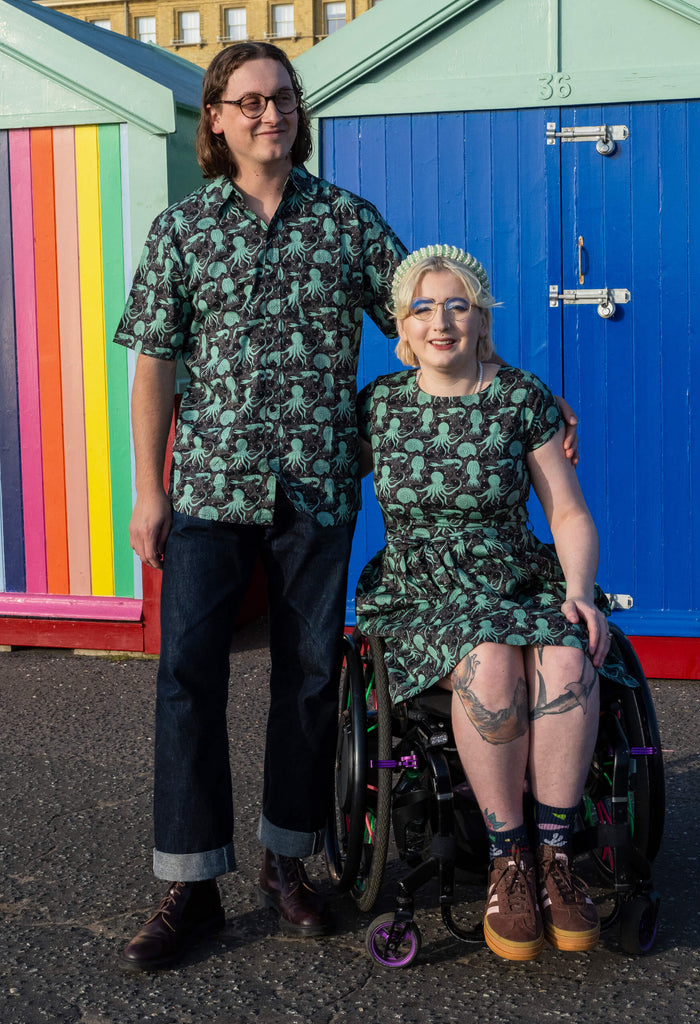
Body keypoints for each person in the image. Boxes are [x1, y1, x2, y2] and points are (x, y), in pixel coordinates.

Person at [114, 42, 579, 971]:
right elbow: (154, 361)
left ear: (297, 112)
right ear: (214, 119)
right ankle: (190, 884)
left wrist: (528, 394)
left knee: (311, 681)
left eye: (281, 100)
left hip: (318, 487)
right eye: (246, 102)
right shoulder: (182, 231)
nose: (267, 116)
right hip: (209, 485)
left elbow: (430, 315)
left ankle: (288, 865)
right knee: (188, 679)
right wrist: (147, 488)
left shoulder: (348, 223)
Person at [355, 244, 633, 962]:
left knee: (569, 659)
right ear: (402, 328)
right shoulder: (378, 406)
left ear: (481, 320)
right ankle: (507, 862)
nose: (440, 321)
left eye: (458, 305)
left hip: (515, 577)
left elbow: (567, 513)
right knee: (486, 662)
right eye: (423, 308)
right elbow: (310, 476)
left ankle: (555, 857)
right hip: (420, 589)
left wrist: (578, 595)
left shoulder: (519, 397)